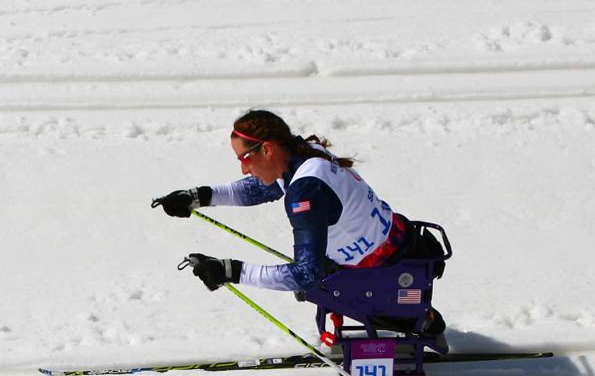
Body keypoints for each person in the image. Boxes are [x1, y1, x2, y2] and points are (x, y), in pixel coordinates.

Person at [152, 109, 445, 337]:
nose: (243, 168)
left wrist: (229, 271)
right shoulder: (304, 154)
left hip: (381, 276)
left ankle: (417, 319)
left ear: (267, 149)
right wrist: (196, 197)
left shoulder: (306, 192)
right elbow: (258, 188)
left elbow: (306, 274)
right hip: (404, 243)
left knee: (311, 285)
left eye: (245, 158)